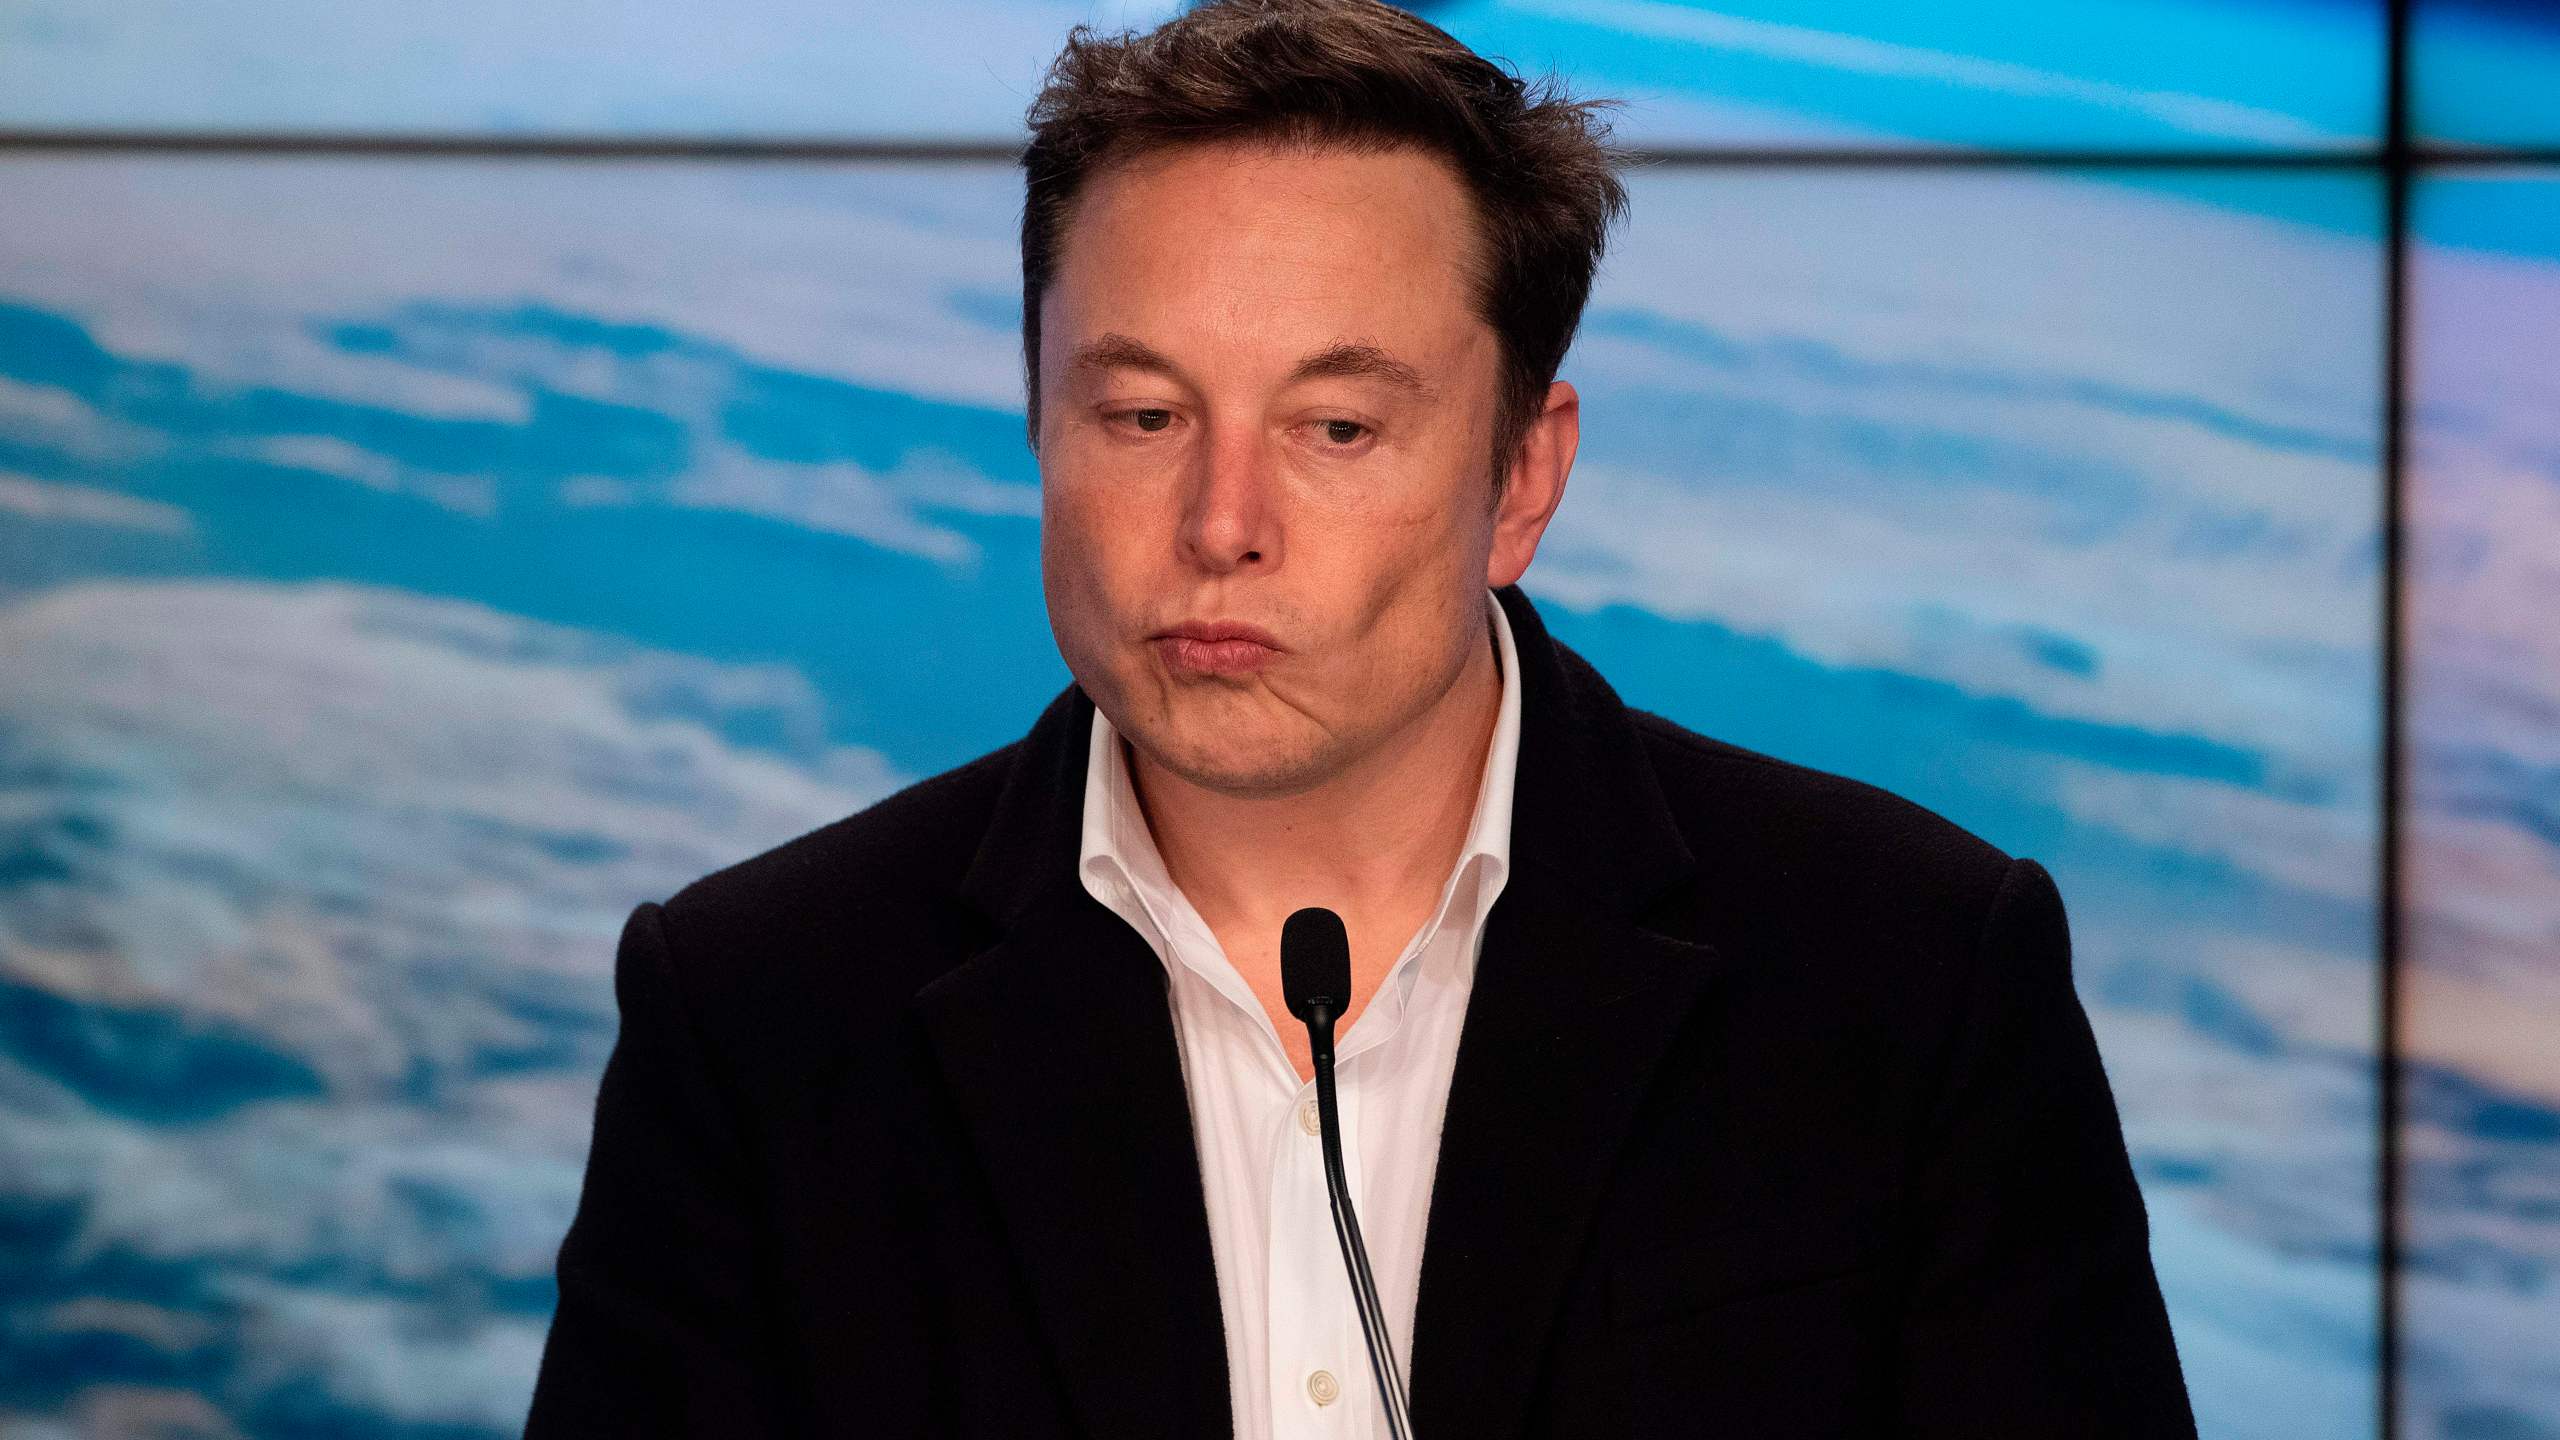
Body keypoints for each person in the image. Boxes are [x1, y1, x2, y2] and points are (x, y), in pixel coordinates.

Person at [522, 1, 2198, 1436]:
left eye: (1334, 427)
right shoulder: (755, 1011)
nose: (1220, 520)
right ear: (1037, 423)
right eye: (1143, 411)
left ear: (1521, 475)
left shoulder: (1910, 975)